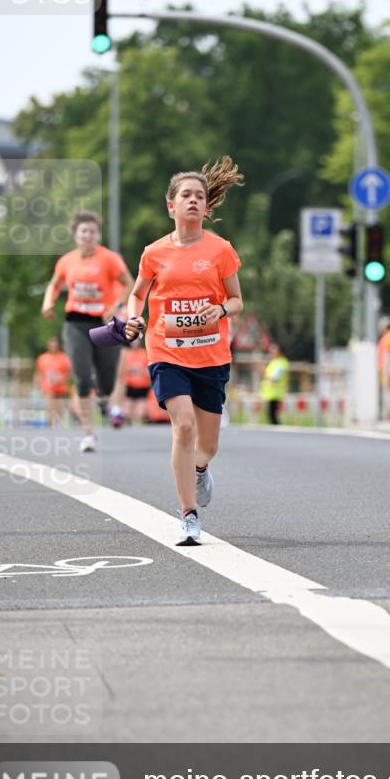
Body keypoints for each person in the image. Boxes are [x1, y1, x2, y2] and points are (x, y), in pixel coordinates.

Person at [125, 156, 244, 545]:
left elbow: (238, 299)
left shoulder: (221, 249)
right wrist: (132, 318)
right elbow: (137, 294)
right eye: (186, 195)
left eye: (200, 196)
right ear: (171, 206)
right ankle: (188, 515)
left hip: (211, 355)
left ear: (207, 208)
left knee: (206, 444)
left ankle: (200, 467)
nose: (193, 201)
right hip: (166, 351)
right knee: (184, 426)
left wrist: (221, 309)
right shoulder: (154, 252)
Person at [41, 210, 134, 452]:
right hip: (75, 323)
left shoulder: (109, 258)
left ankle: (103, 399)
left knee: (107, 377)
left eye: (93, 232)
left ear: (98, 235)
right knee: (82, 377)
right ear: (75, 235)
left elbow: (129, 283)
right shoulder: (67, 261)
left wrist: (117, 306)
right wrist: (48, 302)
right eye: (84, 231)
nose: (88, 236)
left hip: (105, 322)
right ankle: (88, 434)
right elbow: (55, 284)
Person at [35, 337, 71, 425]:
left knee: (59, 408)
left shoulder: (64, 357)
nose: (53, 345)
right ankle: (50, 421)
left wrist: (61, 379)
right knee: (49, 401)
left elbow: (69, 373)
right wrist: (39, 385)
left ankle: (58, 422)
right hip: (48, 387)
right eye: (51, 343)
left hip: (60, 387)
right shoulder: (42, 358)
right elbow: (38, 373)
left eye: (55, 343)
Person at [119, 344, 151, 424]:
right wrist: (130, 370)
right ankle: (128, 420)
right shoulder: (126, 353)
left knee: (140, 406)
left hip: (143, 384)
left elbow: (149, 370)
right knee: (128, 405)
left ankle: (137, 421)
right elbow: (121, 370)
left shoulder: (144, 353)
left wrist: (141, 371)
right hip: (129, 383)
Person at [259, 342, 290, 424]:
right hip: (270, 393)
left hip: (275, 393)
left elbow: (275, 378)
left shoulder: (282, 363)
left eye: (274, 349)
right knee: (271, 414)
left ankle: (278, 429)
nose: (271, 351)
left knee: (272, 414)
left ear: (279, 351)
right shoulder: (274, 361)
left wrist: (264, 372)